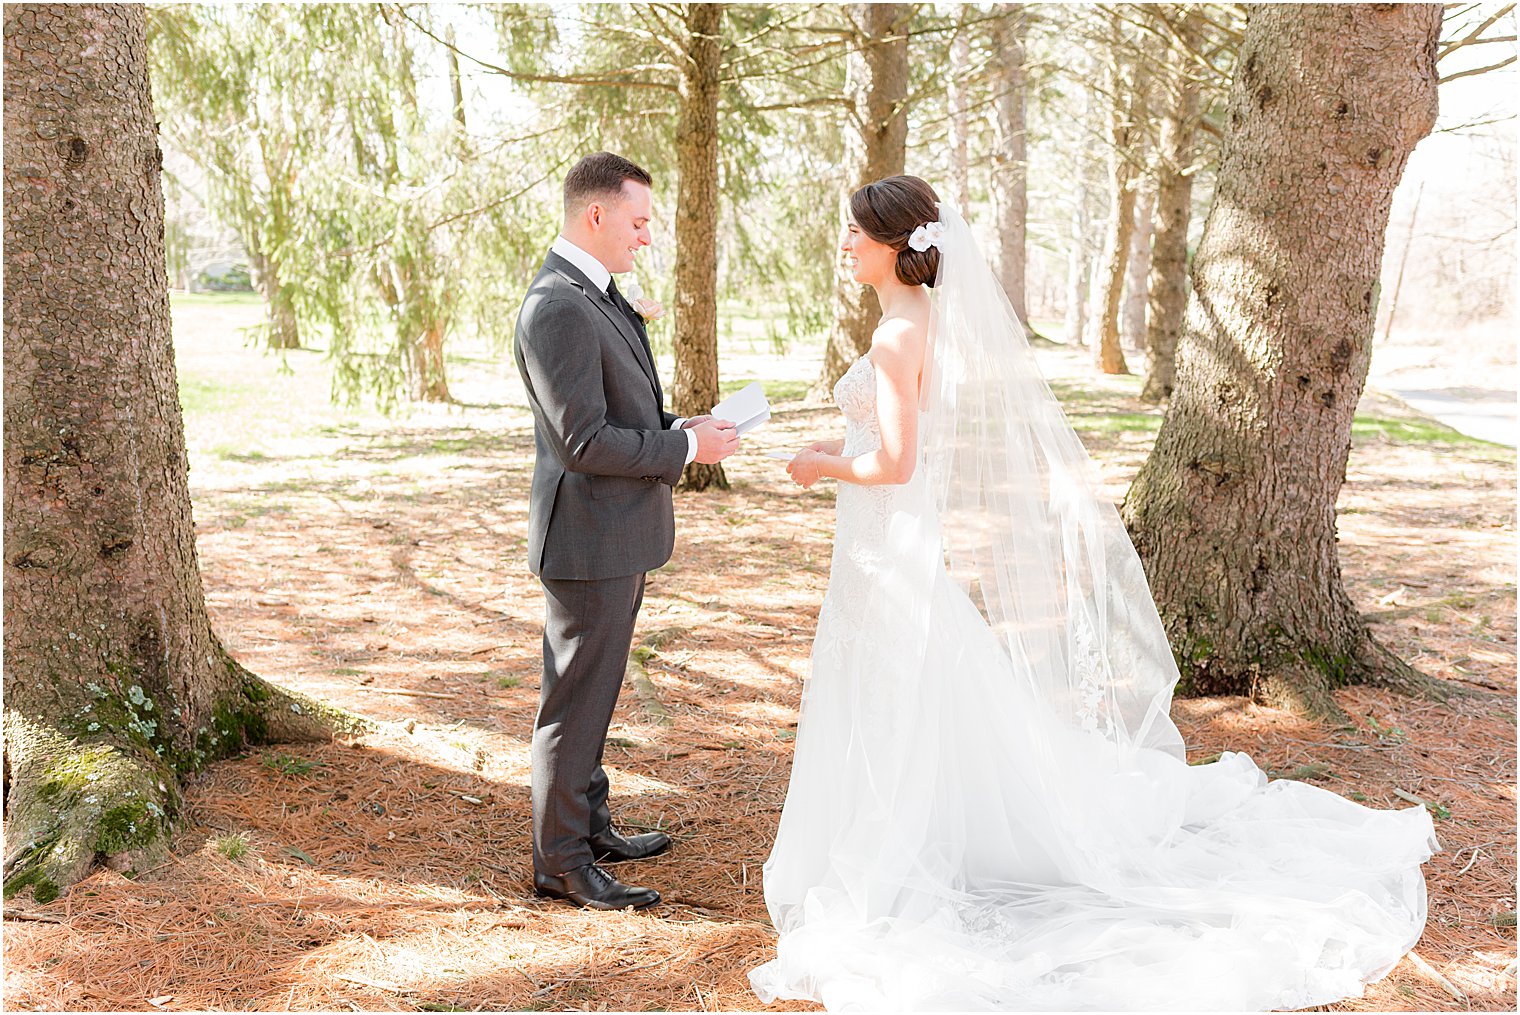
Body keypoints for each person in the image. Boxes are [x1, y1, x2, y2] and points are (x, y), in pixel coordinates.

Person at [750, 175, 1438, 1010]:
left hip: (885, 536)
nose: (844, 245)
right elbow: (897, 437)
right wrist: (840, 439)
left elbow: (893, 463)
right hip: (885, 537)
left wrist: (822, 463)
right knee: (916, 684)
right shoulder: (913, 320)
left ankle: (891, 843)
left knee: (894, 684)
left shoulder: (899, 332)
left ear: (895, 243)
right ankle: (917, 827)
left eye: (855, 233)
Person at [513, 152, 738, 911]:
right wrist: (684, 451)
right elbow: (583, 441)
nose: (646, 237)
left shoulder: (597, 295)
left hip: (617, 533)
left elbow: (622, 415)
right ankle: (562, 862)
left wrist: (682, 426)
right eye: (638, 222)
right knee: (573, 703)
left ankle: (590, 822)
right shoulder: (557, 305)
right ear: (596, 215)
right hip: (586, 539)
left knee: (596, 693)